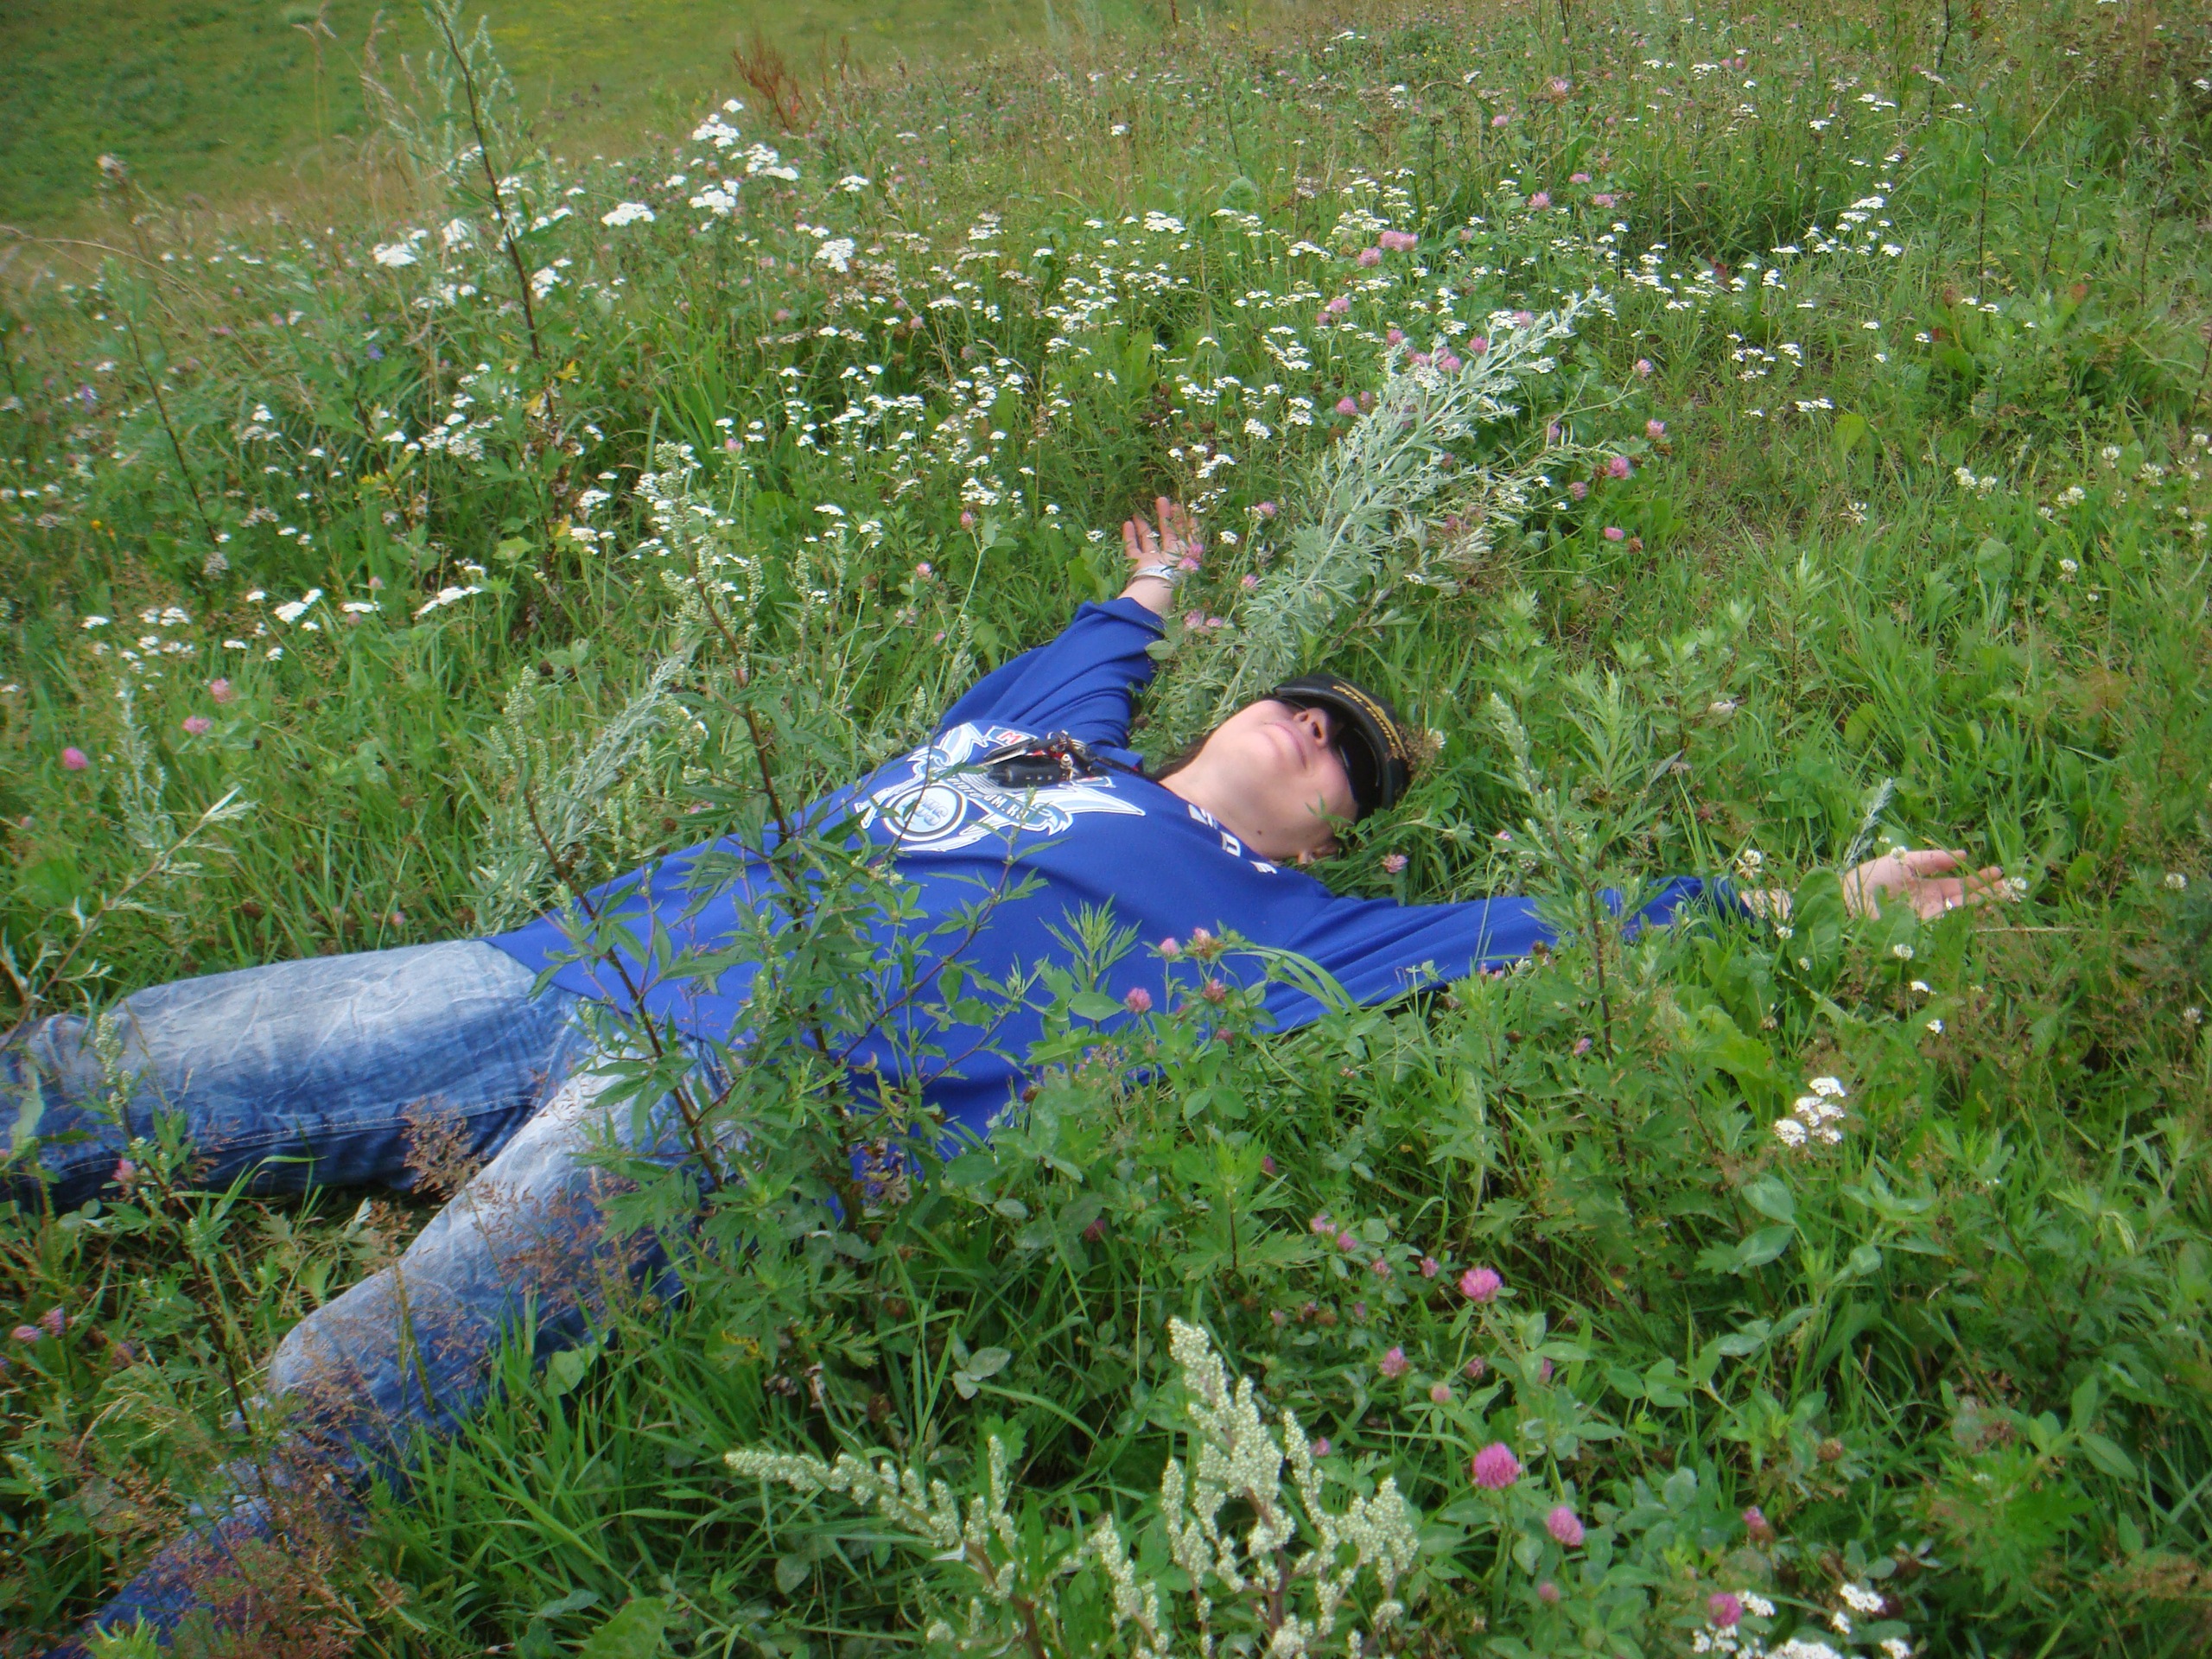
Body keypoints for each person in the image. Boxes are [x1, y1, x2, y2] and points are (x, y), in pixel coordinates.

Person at [13, 499, 2005, 1652]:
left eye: (1355, 761)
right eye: (1309, 704)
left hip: (747, 1099)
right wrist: (1149, 588)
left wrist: (1798, 902)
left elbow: (1550, 931)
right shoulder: (1042, 740)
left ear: (1341, 836)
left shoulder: (1294, 931)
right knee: (121, 1067)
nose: (1324, 733)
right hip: (580, 964)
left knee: (362, 1386)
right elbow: (1099, 647)